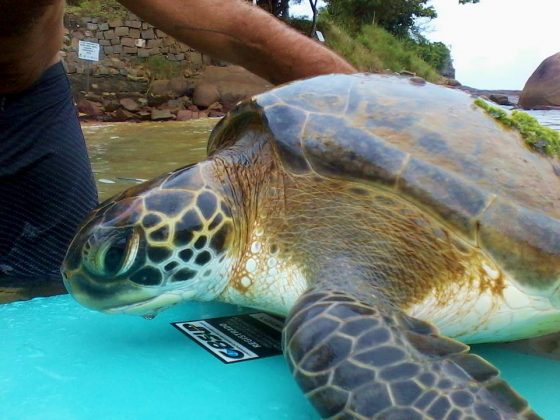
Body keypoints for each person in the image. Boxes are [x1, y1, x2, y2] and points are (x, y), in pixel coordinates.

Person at [0, 0, 355, 300]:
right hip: (32, 94)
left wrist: (367, 103)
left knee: (53, 278)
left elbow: (238, 28)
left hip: (31, 96)